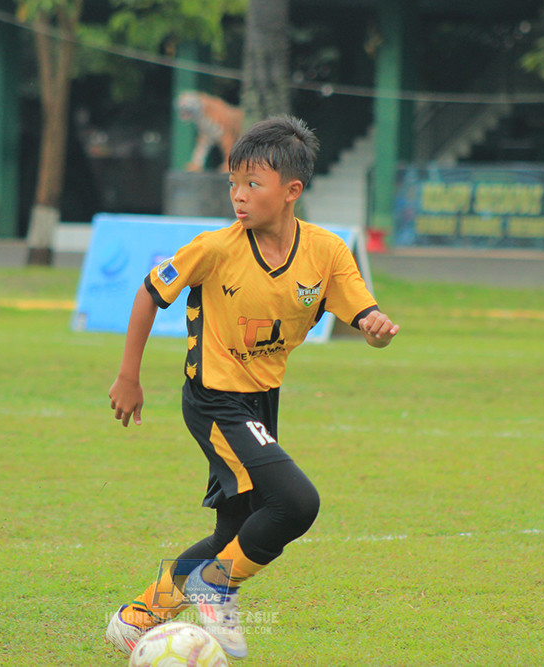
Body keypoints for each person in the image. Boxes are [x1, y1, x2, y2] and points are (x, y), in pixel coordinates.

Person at [104, 115, 399, 658]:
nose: (238, 196)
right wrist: (129, 376)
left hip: (262, 402)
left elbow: (366, 320)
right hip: (214, 399)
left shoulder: (328, 252)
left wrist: (377, 331)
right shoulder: (214, 248)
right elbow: (149, 292)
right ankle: (215, 587)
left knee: (232, 535)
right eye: (233, 183)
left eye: (252, 185)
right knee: (296, 503)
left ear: (292, 192)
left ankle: (138, 614)